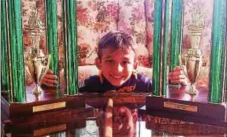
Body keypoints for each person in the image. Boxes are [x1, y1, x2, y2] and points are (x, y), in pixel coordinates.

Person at [39, 30, 188, 91]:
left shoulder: (144, 83)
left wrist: (181, 84)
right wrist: (45, 85)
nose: (117, 69)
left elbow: (166, 95)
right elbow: (66, 95)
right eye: (110, 61)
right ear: (98, 63)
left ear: (135, 65)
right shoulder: (92, 83)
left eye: (125, 62)